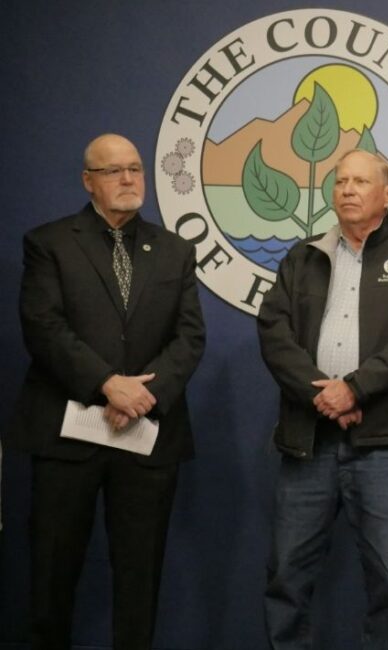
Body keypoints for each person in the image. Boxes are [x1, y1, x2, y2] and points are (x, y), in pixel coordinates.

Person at [8, 133, 206, 649]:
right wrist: (107, 385)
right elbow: (44, 327)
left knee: (140, 581)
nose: (128, 179)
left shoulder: (175, 250)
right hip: (67, 438)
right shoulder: (49, 243)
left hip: (146, 435)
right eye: (114, 170)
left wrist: (141, 398)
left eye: (135, 169)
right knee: (52, 578)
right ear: (88, 181)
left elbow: (189, 337)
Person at [257, 148, 388, 649]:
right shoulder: (302, 257)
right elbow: (274, 332)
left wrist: (355, 389)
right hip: (310, 440)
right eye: (341, 181)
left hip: (386, 444)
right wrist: (322, 394)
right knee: (286, 576)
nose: (347, 190)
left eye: (360, 182)